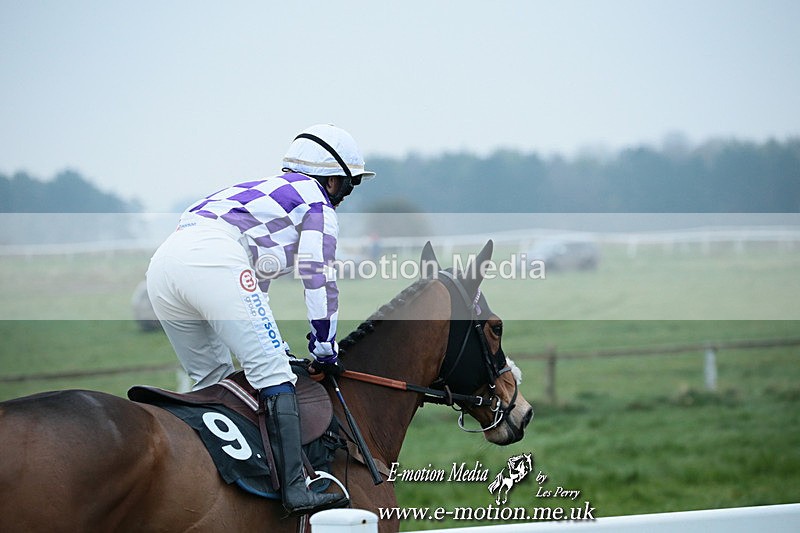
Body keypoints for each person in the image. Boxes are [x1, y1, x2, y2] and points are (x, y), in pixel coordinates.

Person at [146, 124, 375, 515]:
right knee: (274, 376)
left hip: (163, 267)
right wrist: (324, 349)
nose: (344, 196)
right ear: (334, 180)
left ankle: (207, 485)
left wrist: (279, 347)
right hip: (213, 261)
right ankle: (295, 489)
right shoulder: (317, 204)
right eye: (348, 186)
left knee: (212, 381)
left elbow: (256, 290)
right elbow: (318, 277)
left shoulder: (264, 193)